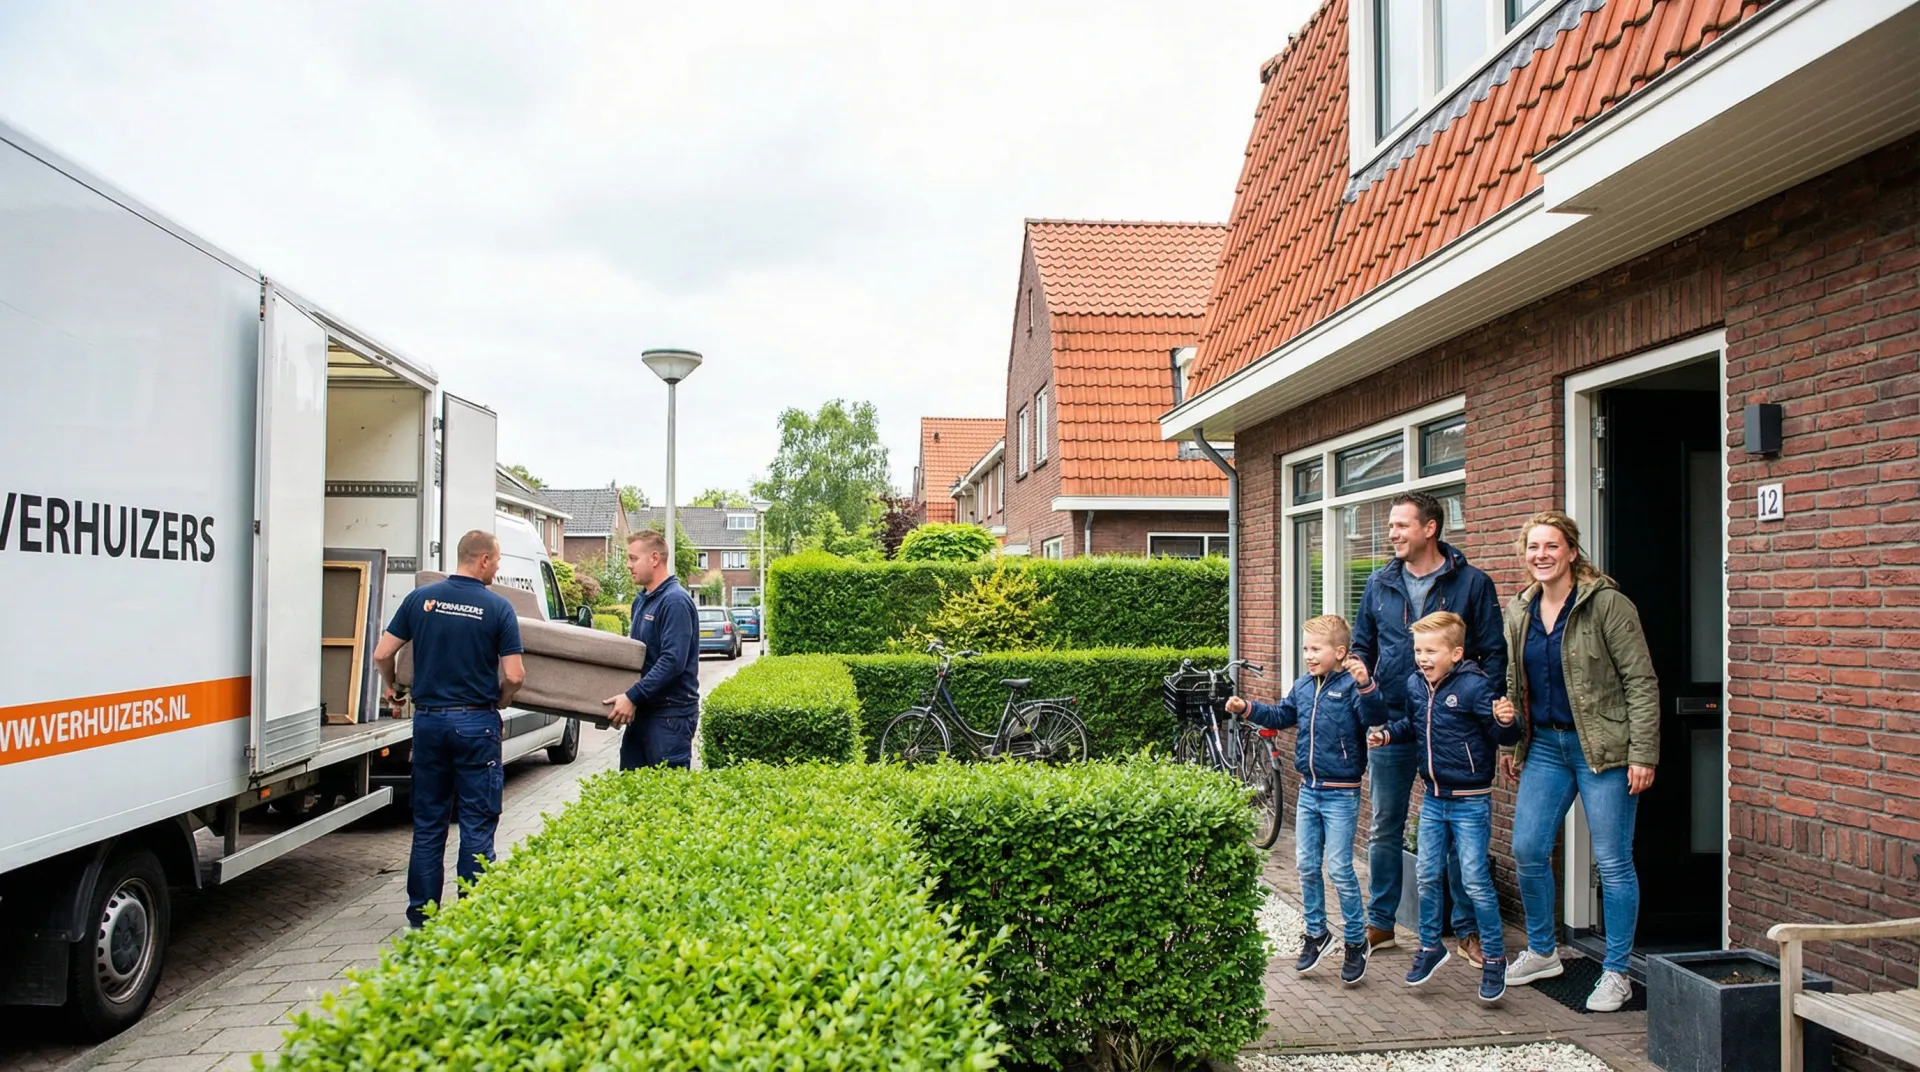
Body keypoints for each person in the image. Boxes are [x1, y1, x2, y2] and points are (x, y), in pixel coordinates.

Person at [1496, 511, 1658, 1013]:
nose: (1541, 555)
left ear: (1571, 551)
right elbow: (1514, 682)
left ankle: (1617, 971)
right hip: (1546, 746)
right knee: (1527, 848)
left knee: (1612, 860)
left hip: (1604, 750)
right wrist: (1513, 744)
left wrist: (1643, 753)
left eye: (1551, 546)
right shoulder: (1520, 609)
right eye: (1533, 547)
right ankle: (1543, 952)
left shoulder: (1606, 604)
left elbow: (1640, 681)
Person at [1350, 491, 1506, 966]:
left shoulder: (1472, 583)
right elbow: (1362, 647)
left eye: (1401, 525)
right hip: (1395, 718)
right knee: (1385, 823)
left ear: (1430, 528)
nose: (1392, 533)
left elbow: (1493, 652)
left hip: (1456, 722)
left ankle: (1468, 931)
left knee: (1459, 833)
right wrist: (1364, 693)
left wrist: (1483, 712)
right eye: (1391, 526)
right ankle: (1381, 923)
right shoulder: (1379, 583)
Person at [374, 529, 525, 929]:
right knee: (476, 822)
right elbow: (515, 674)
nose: (497, 569)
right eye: (497, 562)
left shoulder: (421, 599)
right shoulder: (498, 608)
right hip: (476, 723)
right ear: (484, 560)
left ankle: (422, 921)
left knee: (428, 825)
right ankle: (471, 920)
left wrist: (394, 686)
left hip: (429, 722)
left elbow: (382, 652)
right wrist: (503, 699)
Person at [1226, 614, 1388, 986]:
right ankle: (1317, 933)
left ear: (1340, 652)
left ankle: (1355, 941)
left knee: (1339, 868)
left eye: (1316, 649)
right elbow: (1282, 715)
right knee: (1306, 865)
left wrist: (1366, 684)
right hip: (1309, 791)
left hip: (1341, 793)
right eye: (1305, 649)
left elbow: (1376, 716)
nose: (1308, 655)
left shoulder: (1351, 687)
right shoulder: (1303, 685)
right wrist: (1246, 708)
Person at [1367, 611, 1518, 1003]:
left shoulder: (1475, 687)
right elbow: (1412, 725)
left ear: (1455, 653)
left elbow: (1501, 732)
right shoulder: (1415, 685)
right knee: (1427, 876)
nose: (1422, 658)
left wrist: (1506, 722)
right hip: (1434, 799)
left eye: (1431, 651)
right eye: (1418, 650)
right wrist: (1387, 736)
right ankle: (1431, 946)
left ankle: (1495, 957)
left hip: (1470, 802)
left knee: (1475, 880)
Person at [603, 528, 700, 769]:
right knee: (631, 787)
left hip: (669, 717)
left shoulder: (675, 601)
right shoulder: (642, 600)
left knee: (667, 790)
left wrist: (632, 696)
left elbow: (672, 661)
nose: (628, 565)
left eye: (633, 558)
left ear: (655, 558)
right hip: (643, 711)